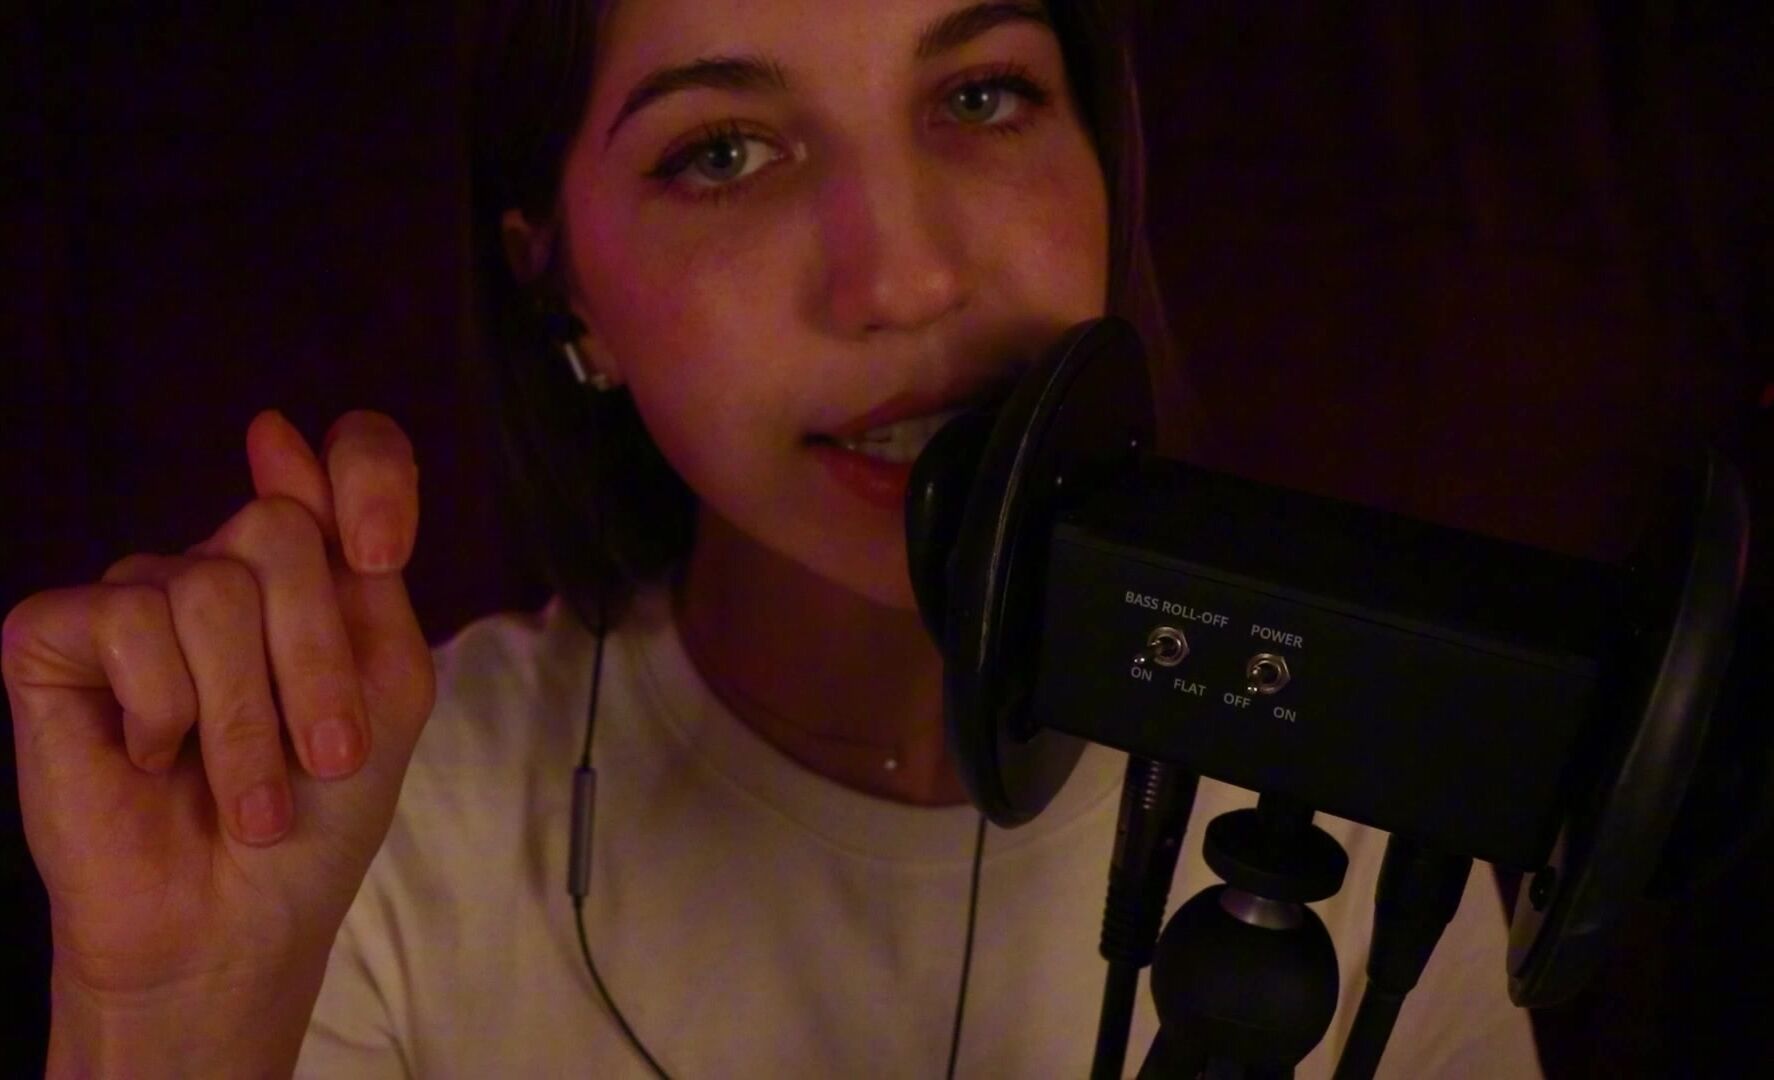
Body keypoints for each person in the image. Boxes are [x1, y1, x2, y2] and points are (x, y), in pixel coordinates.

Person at [2, 1, 1542, 1076]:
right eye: (724, 152)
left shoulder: (1336, 819)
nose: (903, 279)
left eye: (981, 96)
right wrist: (177, 1016)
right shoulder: (366, 822)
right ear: (561, 288)